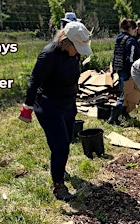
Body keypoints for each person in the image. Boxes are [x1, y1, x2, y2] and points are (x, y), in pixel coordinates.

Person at [18, 21, 92, 201]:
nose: (78, 52)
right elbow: (34, 81)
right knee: (60, 146)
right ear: (66, 42)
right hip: (49, 105)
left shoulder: (74, 54)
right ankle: (58, 186)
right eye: (77, 47)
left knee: (66, 140)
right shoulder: (48, 55)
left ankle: (59, 168)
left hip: (67, 103)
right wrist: (27, 106)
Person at [107, 18, 140, 125]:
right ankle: (113, 117)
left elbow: (116, 55)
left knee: (124, 92)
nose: (135, 32)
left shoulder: (119, 38)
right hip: (127, 70)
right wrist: (134, 71)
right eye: (135, 30)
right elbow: (130, 58)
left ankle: (124, 114)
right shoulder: (130, 40)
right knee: (126, 94)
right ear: (131, 28)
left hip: (119, 69)